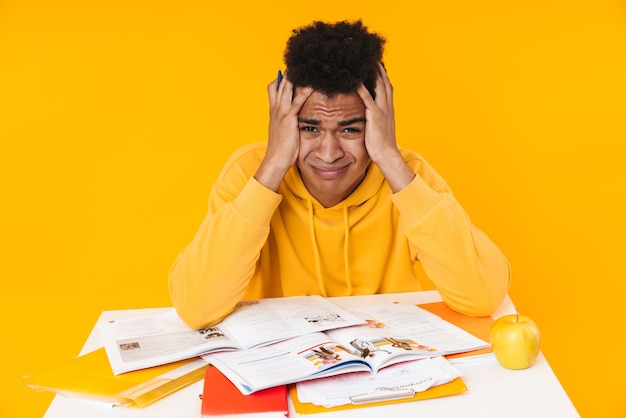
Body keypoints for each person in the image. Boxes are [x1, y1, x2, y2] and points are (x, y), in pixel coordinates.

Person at [169, 20, 511, 329]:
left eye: (349, 130)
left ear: (379, 123)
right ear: (282, 123)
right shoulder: (250, 174)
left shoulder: (407, 178)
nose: (329, 153)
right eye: (309, 128)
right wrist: (273, 166)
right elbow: (196, 308)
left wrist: (390, 158)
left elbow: (483, 296)